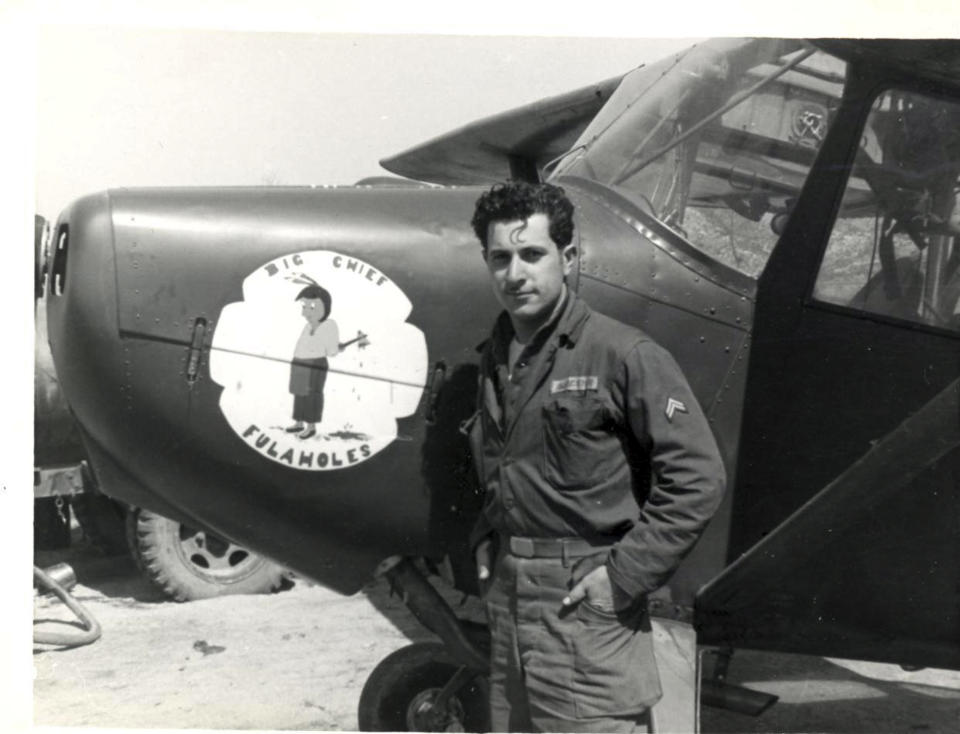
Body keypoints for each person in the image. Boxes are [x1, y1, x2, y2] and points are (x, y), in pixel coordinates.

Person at [465, 181, 726, 733]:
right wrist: (486, 534)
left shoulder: (621, 353)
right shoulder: (495, 359)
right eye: (500, 258)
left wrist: (622, 577)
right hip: (512, 602)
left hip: (586, 603)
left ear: (569, 257)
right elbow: (505, 462)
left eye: (532, 254)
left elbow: (698, 477)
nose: (515, 274)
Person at [286, 283, 339, 440]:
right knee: (298, 393)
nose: (305, 312)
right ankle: (299, 423)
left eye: (312, 307)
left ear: (325, 308)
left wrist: (336, 348)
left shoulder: (329, 325)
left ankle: (311, 427)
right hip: (299, 362)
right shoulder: (307, 326)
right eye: (304, 306)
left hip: (316, 363)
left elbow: (331, 351)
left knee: (312, 395)